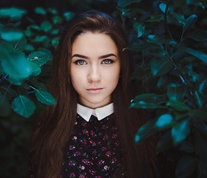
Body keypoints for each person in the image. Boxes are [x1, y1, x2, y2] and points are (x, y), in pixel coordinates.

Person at [28, 10, 158, 178]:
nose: (94, 77)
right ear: (66, 67)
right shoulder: (47, 130)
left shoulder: (149, 131)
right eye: (81, 62)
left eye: (107, 61)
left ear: (122, 66)